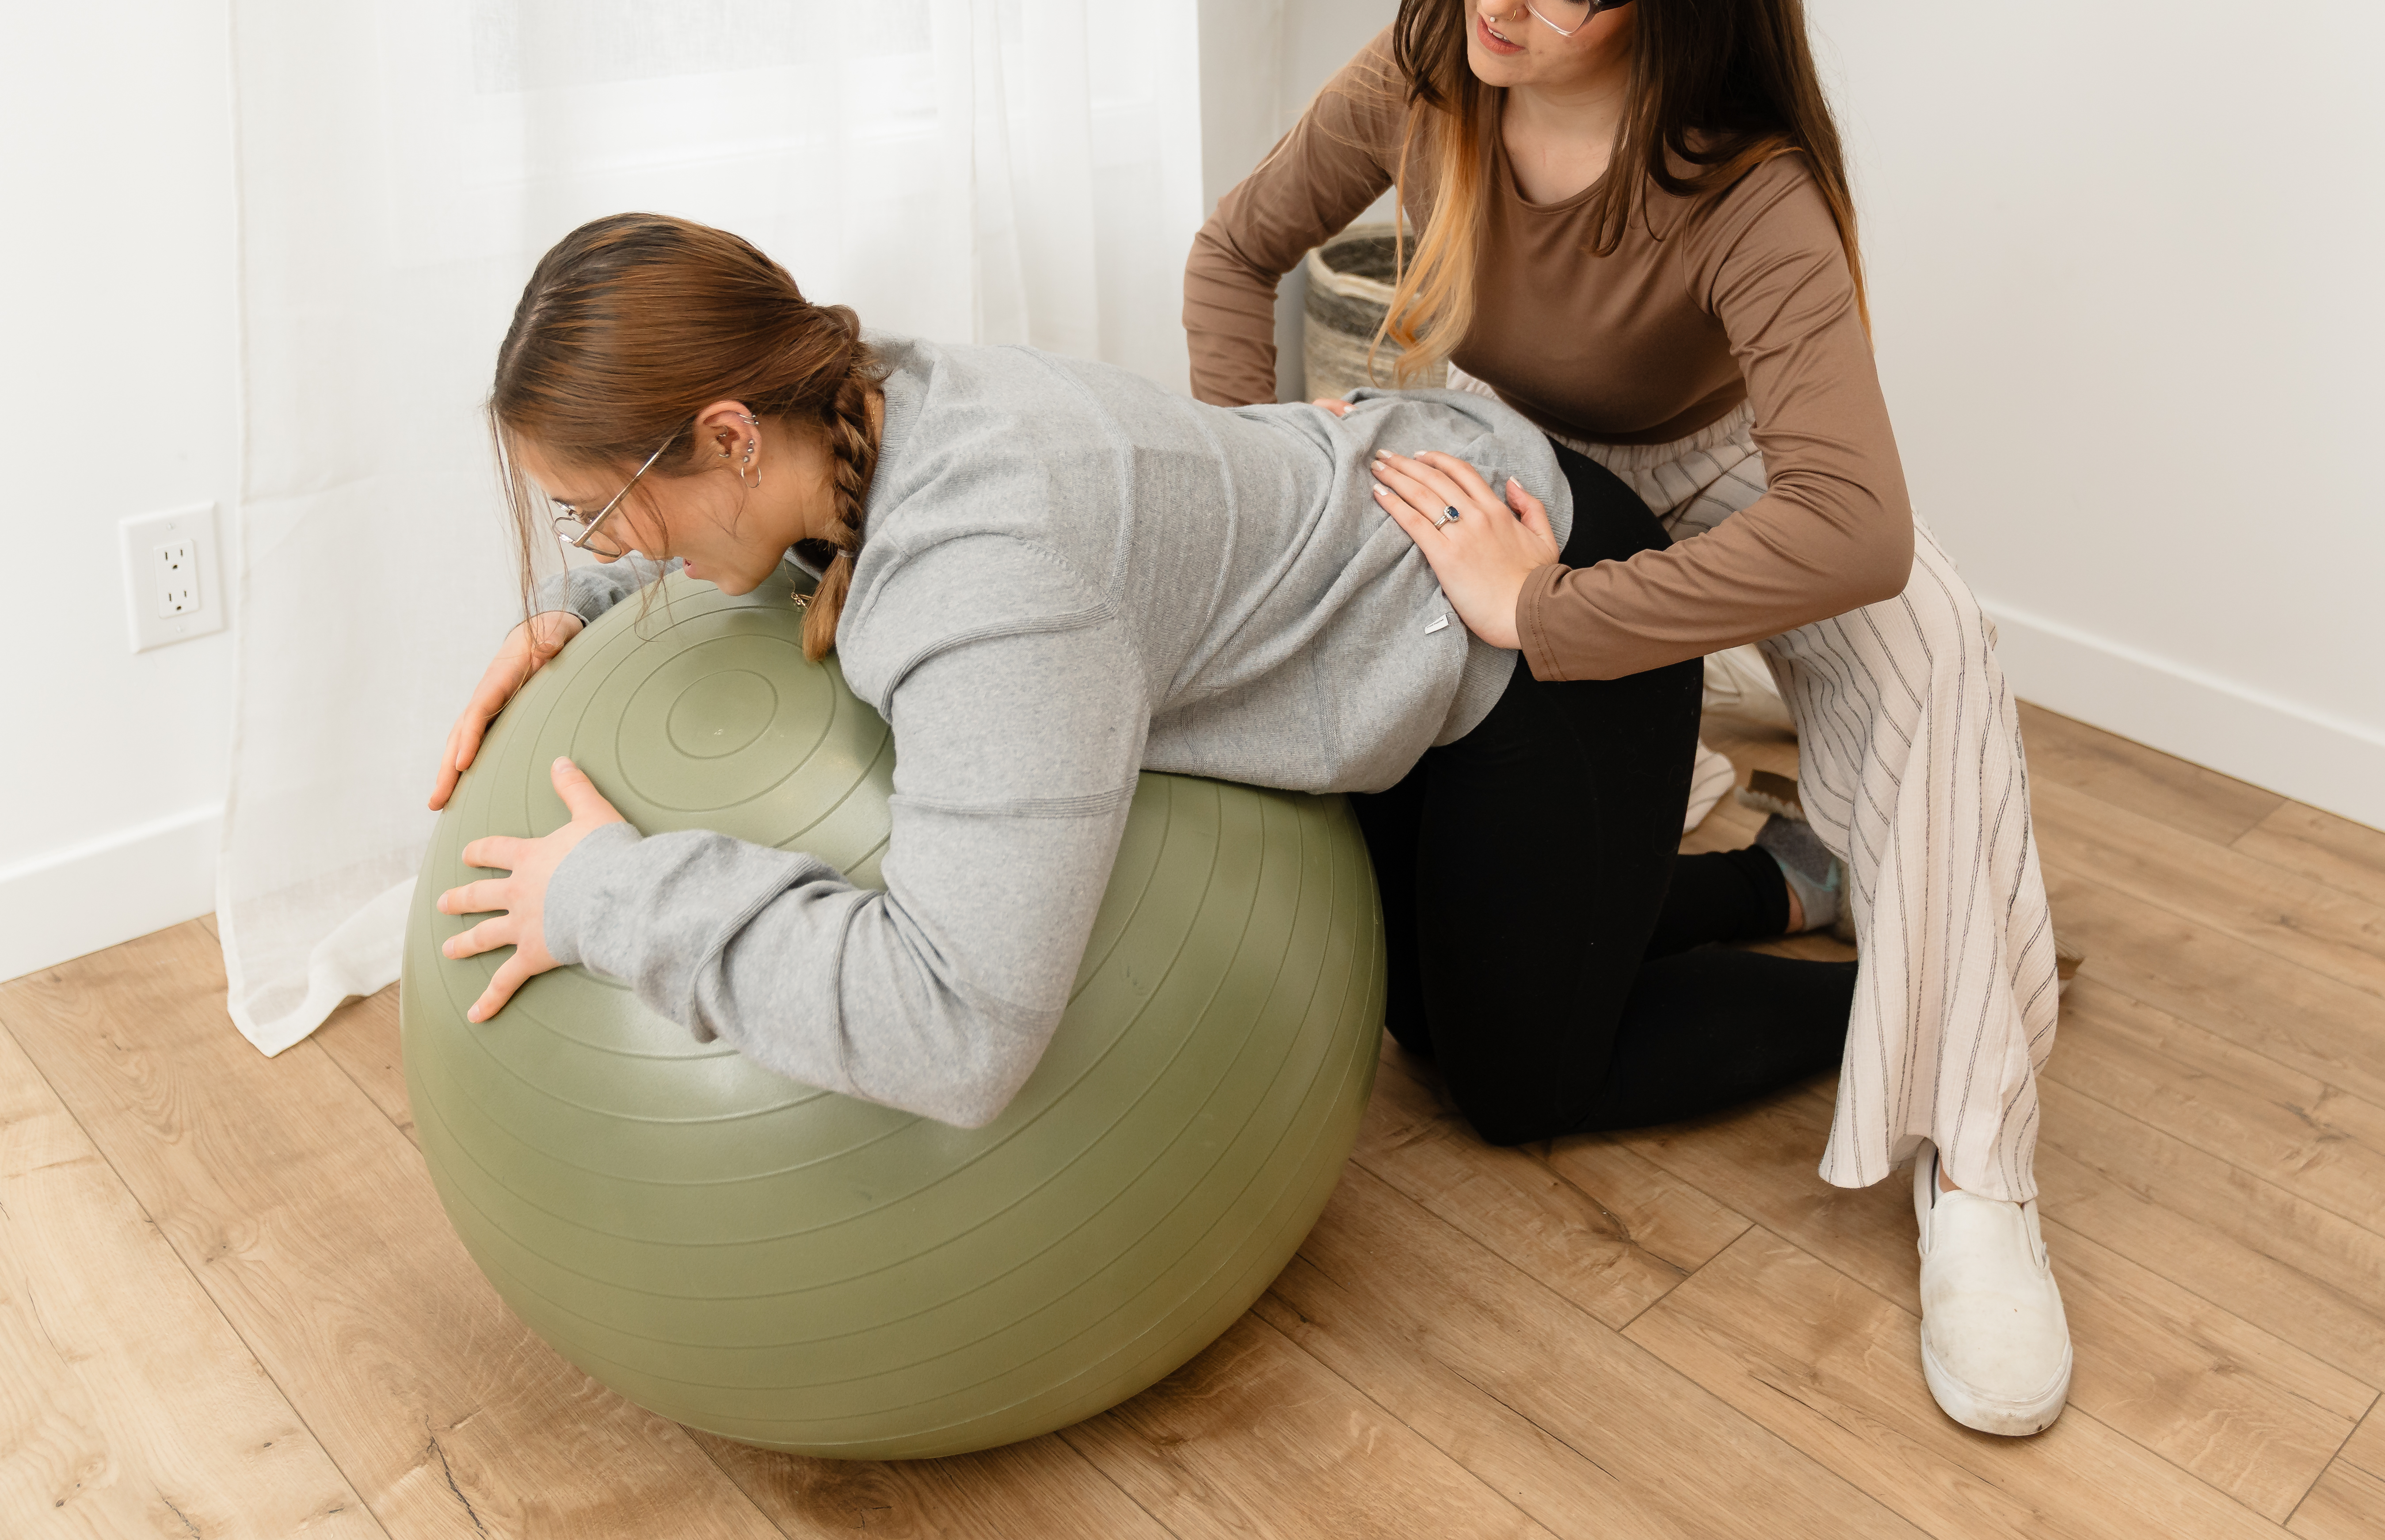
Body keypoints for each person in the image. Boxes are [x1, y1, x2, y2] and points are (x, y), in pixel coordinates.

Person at [1182, 0, 2069, 1436]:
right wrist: (1259, 457)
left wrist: (1561, 612)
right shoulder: (1428, 72)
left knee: (1944, 659)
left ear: (1672, 3)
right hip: (1521, 457)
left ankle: (1980, 1170)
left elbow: (1854, 525)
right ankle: (1790, 888)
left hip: (1724, 470)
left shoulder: (1744, 184)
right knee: (1475, 976)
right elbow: (1234, 258)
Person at [428, 211, 1852, 1155]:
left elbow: (958, 1030)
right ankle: (1779, 880)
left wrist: (608, 900)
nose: (607, 545)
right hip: (1394, 595)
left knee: (1520, 1086)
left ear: (730, 431)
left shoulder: (994, 581)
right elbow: (774, 545)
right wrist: (585, 607)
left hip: (1541, 619)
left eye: (598, 512)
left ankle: (1886, 995)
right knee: (1426, 997)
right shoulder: (863, 394)